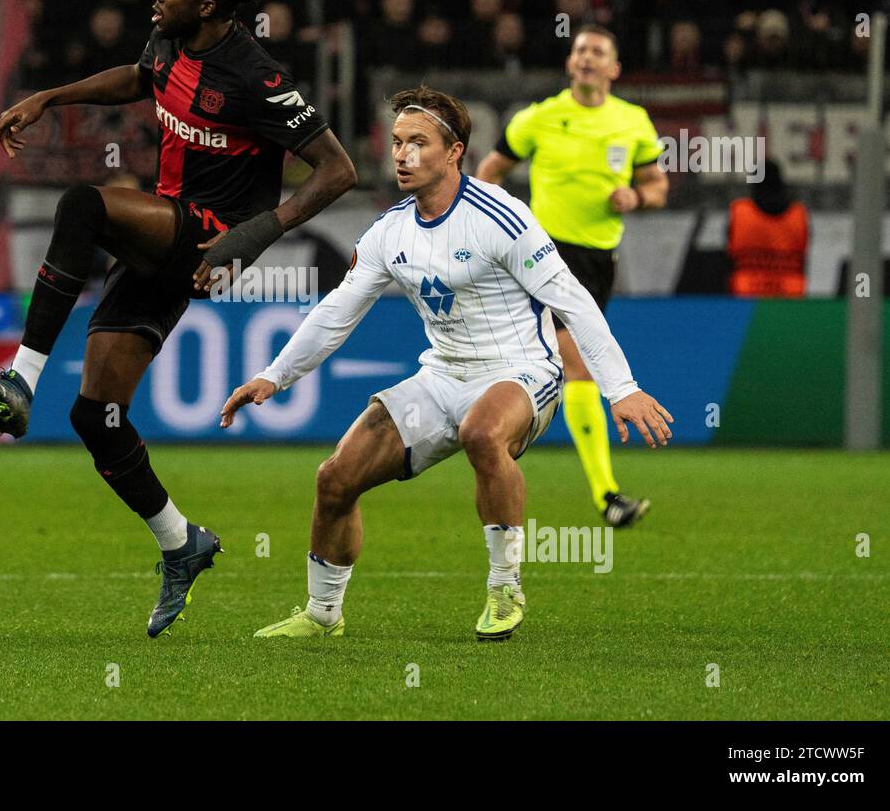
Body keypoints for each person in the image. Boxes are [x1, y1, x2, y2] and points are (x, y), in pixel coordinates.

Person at [0, 0, 357, 638]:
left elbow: (339, 170)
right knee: (96, 417)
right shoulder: (172, 42)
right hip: (166, 241)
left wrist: (258, 232)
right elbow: (137, 77)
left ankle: (21, 375)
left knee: (84, 205)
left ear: (209, 5)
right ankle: (182, 542)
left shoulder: (256, 77)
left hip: (211, 235)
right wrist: (50, 98)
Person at [222, 86, 671, 641]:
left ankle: (505, 586)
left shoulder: (502, 216)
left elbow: (572, 300)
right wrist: (275, 375)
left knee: (482, 432)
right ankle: (322, 615)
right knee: (336, 478)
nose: (402, 156)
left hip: (523, 369)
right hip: (442, 374)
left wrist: (620, 387)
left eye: (418, 143)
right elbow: (338, 309)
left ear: (454, 151)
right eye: (396, 143)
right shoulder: (390, 230)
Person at [475, 25, 668, 528]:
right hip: (543, 253)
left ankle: (497, 439)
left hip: (598, 261)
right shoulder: (538, 119)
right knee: (575, 363)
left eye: (598, 52)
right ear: (569, 62)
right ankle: (607, 495)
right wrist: (497, 226)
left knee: (549, 364)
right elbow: (487, 173)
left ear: (614, 68)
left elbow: (656, 185)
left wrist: (637, 198)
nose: (586, 58)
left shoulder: (633, 122)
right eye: (579, 50)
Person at [727, 158, 808, 297]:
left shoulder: (739, 213)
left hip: (744, 301)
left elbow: (727, 260)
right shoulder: (799, 215)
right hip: (790, 301)